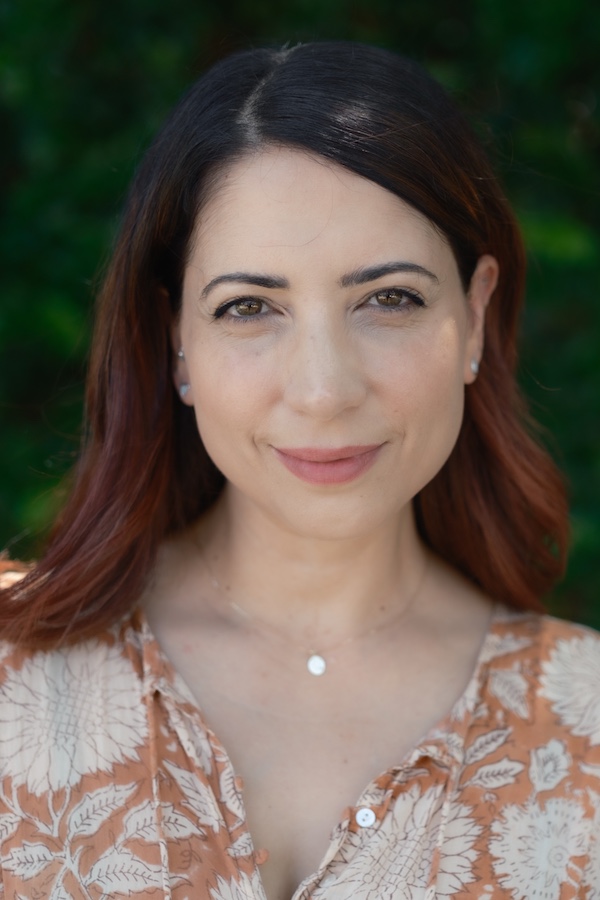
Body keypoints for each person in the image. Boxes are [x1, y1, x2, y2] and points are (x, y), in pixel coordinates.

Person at [0, 40, 599, 900]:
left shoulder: (587, 731)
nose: (323, 391)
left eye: (389, 299)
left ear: (473, 315)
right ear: (176, 338)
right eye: (249, 307)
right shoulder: (12, 671)